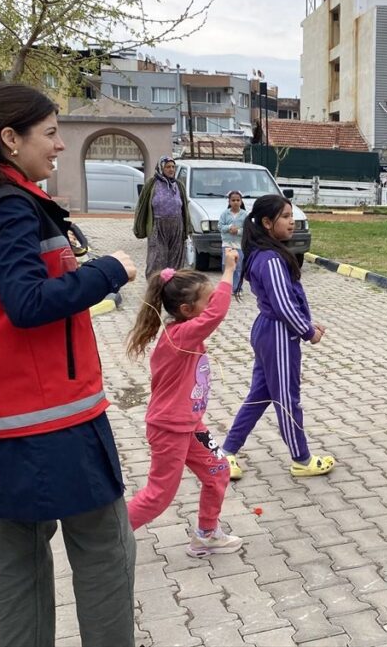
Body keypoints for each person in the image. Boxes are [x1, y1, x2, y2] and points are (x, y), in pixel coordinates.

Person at [0, 82, 138, 646]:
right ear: (10, 139)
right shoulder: (13, 208)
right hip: (49, 420)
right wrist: (108, 271)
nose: (60, 145)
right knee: (105, 545)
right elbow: (27, 303)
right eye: (50, 133)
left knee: (16, 555)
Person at [124, 259, 243, 557]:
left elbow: (212, 313)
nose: (213, 304)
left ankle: (206, 535)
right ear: (187, 310)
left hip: (190, 426)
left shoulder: (185, 333)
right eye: (208, 300)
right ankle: (107, 539)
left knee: (218, 470)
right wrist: (229, 271)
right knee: (159, 495)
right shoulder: (180, 336)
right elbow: (217, 314)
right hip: (169, 429)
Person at [221, 195, 335, 480]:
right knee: (287, 398)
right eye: (285, 216)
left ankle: (227, 451)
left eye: (291, 215)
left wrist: (306, 322)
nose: (291, 221)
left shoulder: (265, 253)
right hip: (278, 335)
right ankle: (302, 459)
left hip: (270, 331)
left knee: (260, 395)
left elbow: (284, 302)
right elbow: (283, 306)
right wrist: (308, 332)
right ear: (267, 223)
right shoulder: (271, 259)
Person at [134, 156, 190, 279]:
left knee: (176, 261)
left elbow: (185, 208)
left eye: (173, 167)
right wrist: (140, 226)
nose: (171, 169)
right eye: (168, 167)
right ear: (161, 168)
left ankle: (173, 286)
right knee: (156, 259)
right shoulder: (152, 184)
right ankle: (155, 286)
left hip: (177, 227)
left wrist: (187, 228)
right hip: (158, 226)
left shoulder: (178, 185)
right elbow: (142, 205)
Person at [219, 190, 248, 297]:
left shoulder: (245, 214)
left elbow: (248, 229)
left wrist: (238, 231)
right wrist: (229, 228)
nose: (235, 202)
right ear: (229, 201)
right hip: (227, 244)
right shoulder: (225, 214)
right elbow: (220, 226)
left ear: (241, 201)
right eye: (233, 200)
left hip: (239, 245)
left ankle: (238, 288)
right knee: (227, 265)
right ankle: (227, 287)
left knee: (238, 266)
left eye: (238, 200)